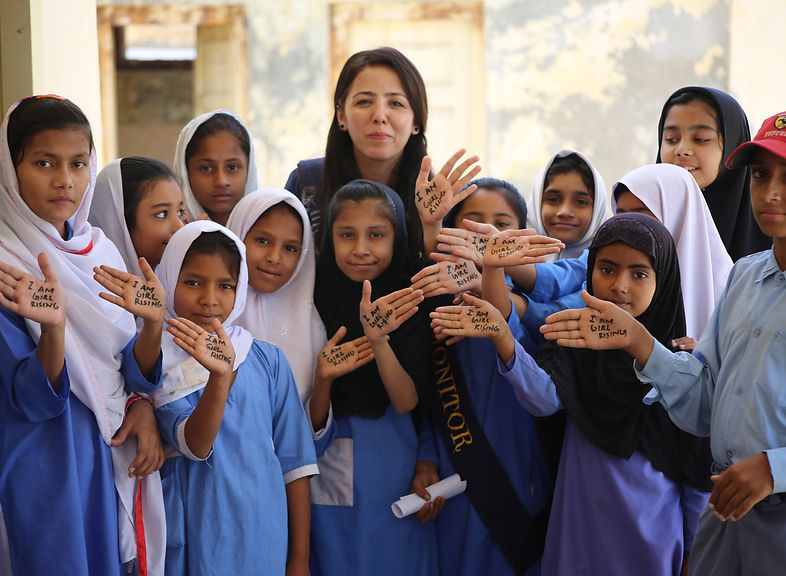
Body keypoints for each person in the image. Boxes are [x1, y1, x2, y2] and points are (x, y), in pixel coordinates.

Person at [544, 112, 786, 575]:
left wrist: (776, 468)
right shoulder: (745, 276)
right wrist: (640, 342)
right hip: (726, 522)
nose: (771, 192)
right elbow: (702, 406)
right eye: (759, 175)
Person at [435, 213, 713, 575]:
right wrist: (503, 337)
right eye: (607, 269)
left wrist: (694, 550)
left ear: (664, 280)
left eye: (640, 274)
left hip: (651, 531)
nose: (620, 286)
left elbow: (694, 475)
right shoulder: (575, 340)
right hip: (580, 522)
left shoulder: (678, 367)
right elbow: (543, 399)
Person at [0, 95, 166, 575]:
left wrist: (152, 323)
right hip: (45, 461)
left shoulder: (102, 252)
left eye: (77, 163)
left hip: (109, 449)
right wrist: (53, 328)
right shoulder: (7, 263)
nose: (64, 180)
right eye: (43, 163)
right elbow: (32, 400)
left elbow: (132, 373)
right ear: (12, 169)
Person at [151, 221, 318, 575]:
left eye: (225, 285)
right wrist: (219, 377)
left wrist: (299, 559)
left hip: (263, 534)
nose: (210, 299)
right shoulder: (155, 360)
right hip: (194, 534)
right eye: (193, 282)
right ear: (168, 278)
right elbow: (196, 445)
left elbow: (296, 465)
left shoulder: (266, 359)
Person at [413, 178, 558, 576]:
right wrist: (426, 455)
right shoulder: (436, 305)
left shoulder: (532, 307)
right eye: (472, 223)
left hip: (519, 481)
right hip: (455, 479)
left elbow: (544, 396)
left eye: (500, 226)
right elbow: (428, 394)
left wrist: (497, 310)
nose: (487, 236)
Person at [308, 179, 437, 575]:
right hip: (325, 460)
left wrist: (378, 340)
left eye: (377, 235)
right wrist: (324, 377)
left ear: (398, 238)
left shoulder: (412, 300)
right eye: (347, 235)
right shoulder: (309, 299)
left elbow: (408, 401)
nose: (361, 249)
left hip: (395, 461)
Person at [285, 46, 478, 264]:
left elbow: (463, 288)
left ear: (416, 121)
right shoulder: (306, 183)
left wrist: (431, 227)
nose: (379, 116)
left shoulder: (444, 198)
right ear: (341, 115)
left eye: (396, 103)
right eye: (364, 102)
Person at [613, 163, 732, 345]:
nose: (628, 227)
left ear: (677, 214)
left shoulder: (733, 292)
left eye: (641, 216)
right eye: (621, 216)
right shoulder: (611, 276)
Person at [227, 188, 327, 402]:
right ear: (237, 235)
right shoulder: (205, 309)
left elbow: (310, 427)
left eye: (290, 248)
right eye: (263, 241)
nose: (274, 257)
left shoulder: (312, 330)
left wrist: (324, 382)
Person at [656, 86, 770, 260]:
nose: (682, 150)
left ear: (732, 144)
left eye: (700, 139)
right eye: (671, 139)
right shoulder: (643, 217)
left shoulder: (772, 237)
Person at [90, 156, 187, 277]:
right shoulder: (95, 290)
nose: (180, 227)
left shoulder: (176, 284)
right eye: (162, 214)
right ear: (120, 221)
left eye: (180, 213)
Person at [173, 109, 258, 225]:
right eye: (206, 168)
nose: (221, 182)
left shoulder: (271, 234)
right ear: (185, 171)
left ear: (249, 169)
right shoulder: (170, 238)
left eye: (232, 167)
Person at [527, 149, 610, 261]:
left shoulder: (609, 265)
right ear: (537, 204)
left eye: (581, 202)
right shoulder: (510, 259)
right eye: (553, 199)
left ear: (597, 210)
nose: (565, 212)